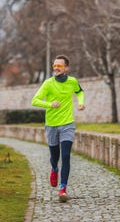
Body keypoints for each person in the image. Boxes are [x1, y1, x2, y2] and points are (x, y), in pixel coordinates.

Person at [31, 54, 85, 203]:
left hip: (67, 124)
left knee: (66, 155)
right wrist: (50, 104)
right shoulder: (48, 84)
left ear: (66, 68)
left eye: (59, 66)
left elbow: (80, 91)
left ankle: (63, 189)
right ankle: (54, 168)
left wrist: (81, 103)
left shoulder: (72, 82)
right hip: (52, 125)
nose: (56, 68)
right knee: (55, 156)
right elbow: (34, 101)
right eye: (54, 66)